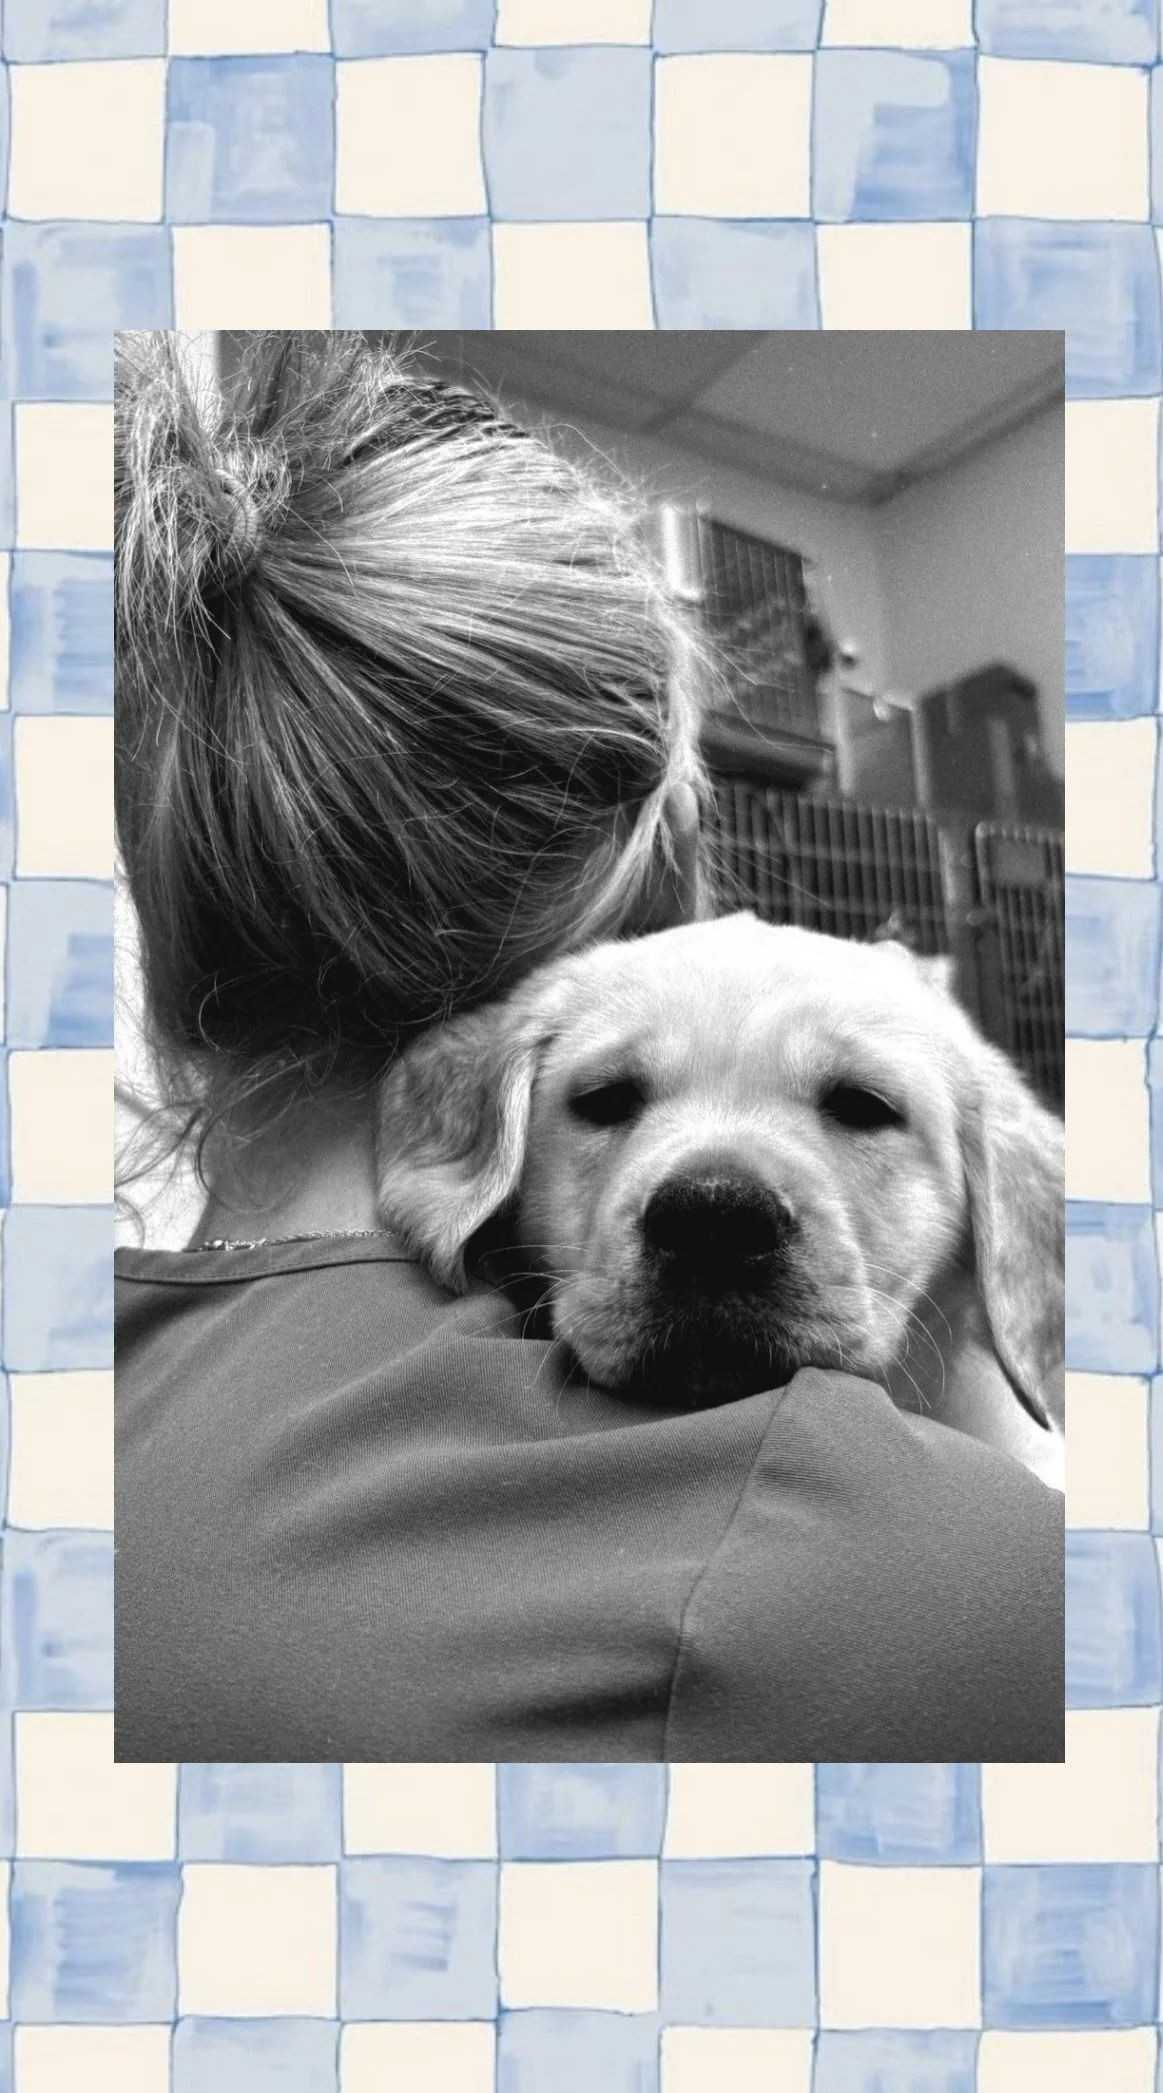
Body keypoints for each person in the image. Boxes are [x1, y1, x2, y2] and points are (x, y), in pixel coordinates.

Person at [114, 331, 1063, 1764]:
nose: (714, 1186)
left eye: (856, 1106)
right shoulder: (950, 1582)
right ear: (648, 860)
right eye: (613, 1096)